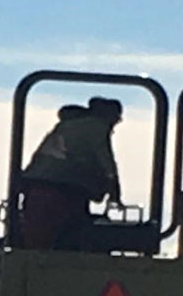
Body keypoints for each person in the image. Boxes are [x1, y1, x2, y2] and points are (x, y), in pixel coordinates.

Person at [15, 96, 122, 248]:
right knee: (68, 235)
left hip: (35, 185)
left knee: (35, 237)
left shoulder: (67, 125)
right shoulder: (96, 126)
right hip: (64, 189)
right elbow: (106, 161)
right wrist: (113, 189)